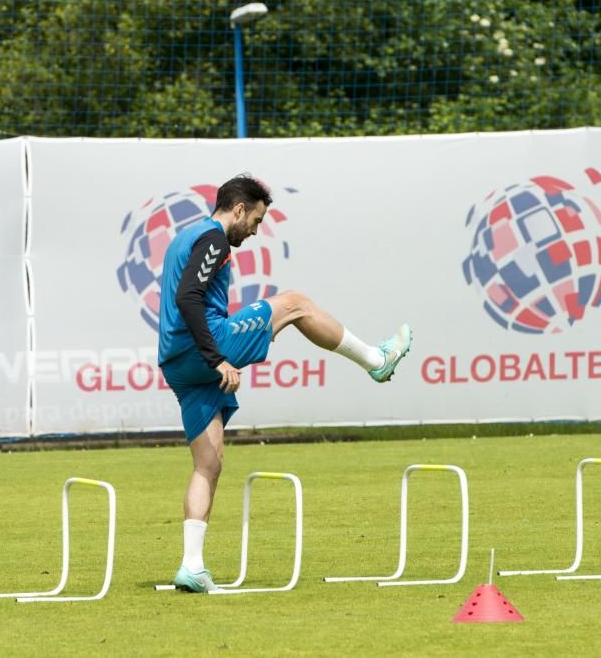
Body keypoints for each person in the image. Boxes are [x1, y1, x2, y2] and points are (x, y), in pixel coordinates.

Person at [158, 175, 412, 593]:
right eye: (255, 220)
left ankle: (191, 566)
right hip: (202, 349)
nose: (255, 231)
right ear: (238, 209)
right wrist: (217, 357)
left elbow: (182, 297)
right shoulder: (214, 238)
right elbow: (189, 298)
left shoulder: (183, 237)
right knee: (294, 303)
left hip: (175, 362)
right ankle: (376, 360)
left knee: (209, 463)